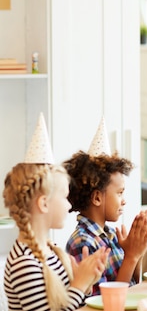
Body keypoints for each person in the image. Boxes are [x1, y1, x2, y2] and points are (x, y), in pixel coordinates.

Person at [3, 113, 109, 311]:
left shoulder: (51, 251)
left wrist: (85, 282)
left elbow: (64, 304)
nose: (69, 205)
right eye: (64, 197)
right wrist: (79, 284)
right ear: (43, 204)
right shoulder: (24, 263)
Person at [64, 118, 147, 295]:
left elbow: (132, 287)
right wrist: (131, 257)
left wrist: (137, 253)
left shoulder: (111, 235)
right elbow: (106, 301)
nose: (124, 200)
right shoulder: (83, 242)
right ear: (97, 197)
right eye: (119, 193)